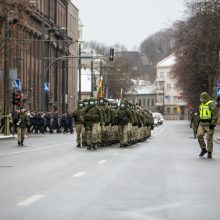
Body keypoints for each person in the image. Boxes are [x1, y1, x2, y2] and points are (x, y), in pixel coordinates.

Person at [197, 92, 218, 158]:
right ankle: (203, 149)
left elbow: (215, 114)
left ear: (206, 97)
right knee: (199, 135)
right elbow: (200, 114)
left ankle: (209, 152)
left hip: (209, 124)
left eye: (203, 98)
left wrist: (213, 123)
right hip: (201, 123)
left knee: (209, 138)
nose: (201, 99)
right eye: (201, 98)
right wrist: (198, 121)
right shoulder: (201, 104)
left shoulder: (211, 104)